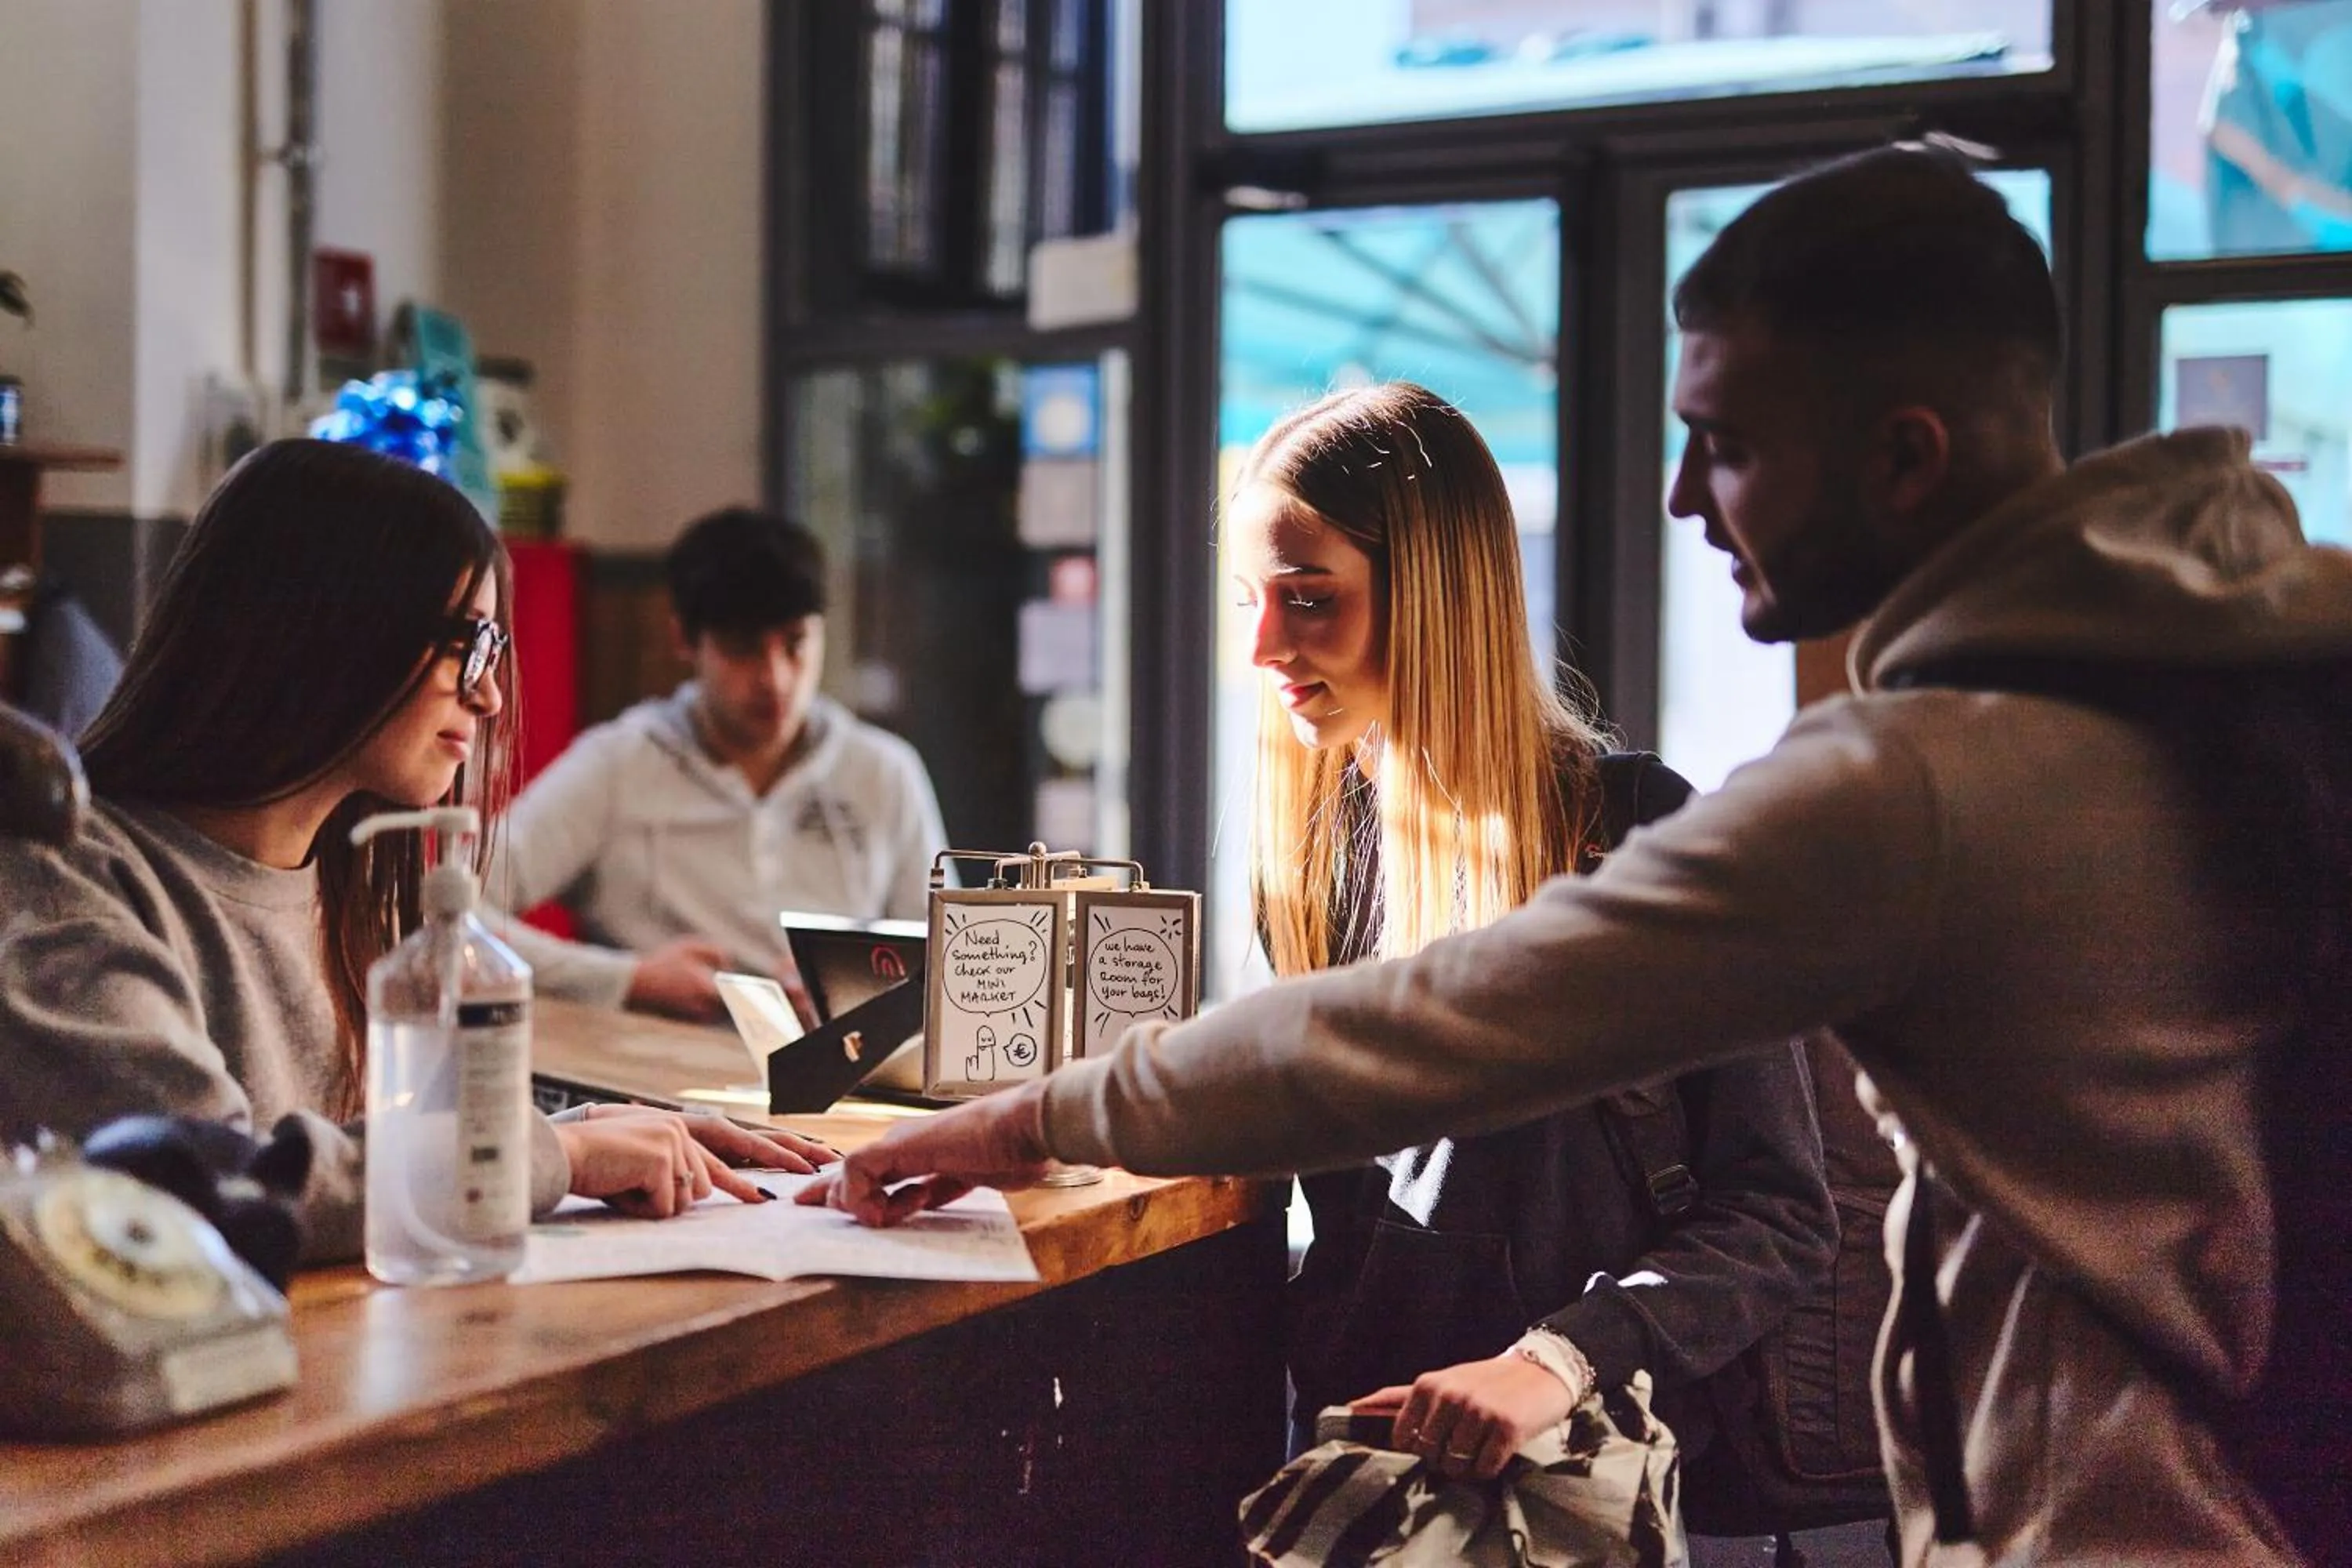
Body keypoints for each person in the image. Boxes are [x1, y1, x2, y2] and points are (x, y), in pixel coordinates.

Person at [806, 144, 2352, 1565]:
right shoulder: (2242, 673)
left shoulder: (1919, 786)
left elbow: (1419, 1042)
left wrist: (1004, 1124)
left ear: (1904, 455)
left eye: (1726, 445)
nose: (1684, 498)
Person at [0, 441, 834, 1265]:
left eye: (493, 652)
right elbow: (205, 1187)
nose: (490, 692)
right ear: (324, 628)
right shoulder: (66, 879)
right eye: (463, 644)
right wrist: (549, 1158)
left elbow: (364, 1151)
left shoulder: (356, 886)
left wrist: (584, 1134)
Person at [1223, 381, 1834, 1486]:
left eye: (1308, 598)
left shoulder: (1637, 833)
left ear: (1435, 595)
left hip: (1596, 1482)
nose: (1266, 646)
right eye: (1248, 600)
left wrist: (1558, 1361)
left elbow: (1778, 1215)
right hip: (1374, 1487)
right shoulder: (1308, 869)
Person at [486, 506, 949, 1022]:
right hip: (655, 1075)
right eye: (742, 649)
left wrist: (857, 986)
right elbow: (457, 916)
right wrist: (628, 980)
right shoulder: (618, 763)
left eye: (795, 644)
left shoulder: (883, 771)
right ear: (684, 640)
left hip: (841, 1072)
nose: (774, 679)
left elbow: (949, 960)